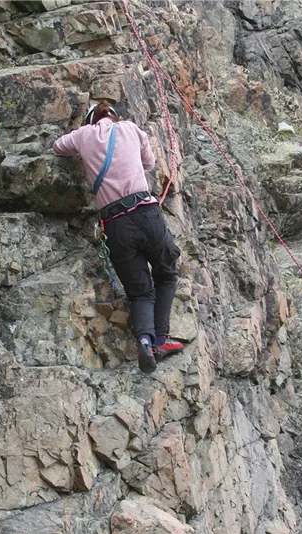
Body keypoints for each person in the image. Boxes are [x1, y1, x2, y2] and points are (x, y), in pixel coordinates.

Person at [53, 101, 184, 373]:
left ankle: (145, 342)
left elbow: (57, 147)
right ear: (114, 116)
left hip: (115, 224)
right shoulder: (131, 129)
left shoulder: (83, 135)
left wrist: (84, 150)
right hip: (146, 214)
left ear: (91, 120)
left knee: (140, 292)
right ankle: (161, 338)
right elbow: (148, 162)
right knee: (167, 272)